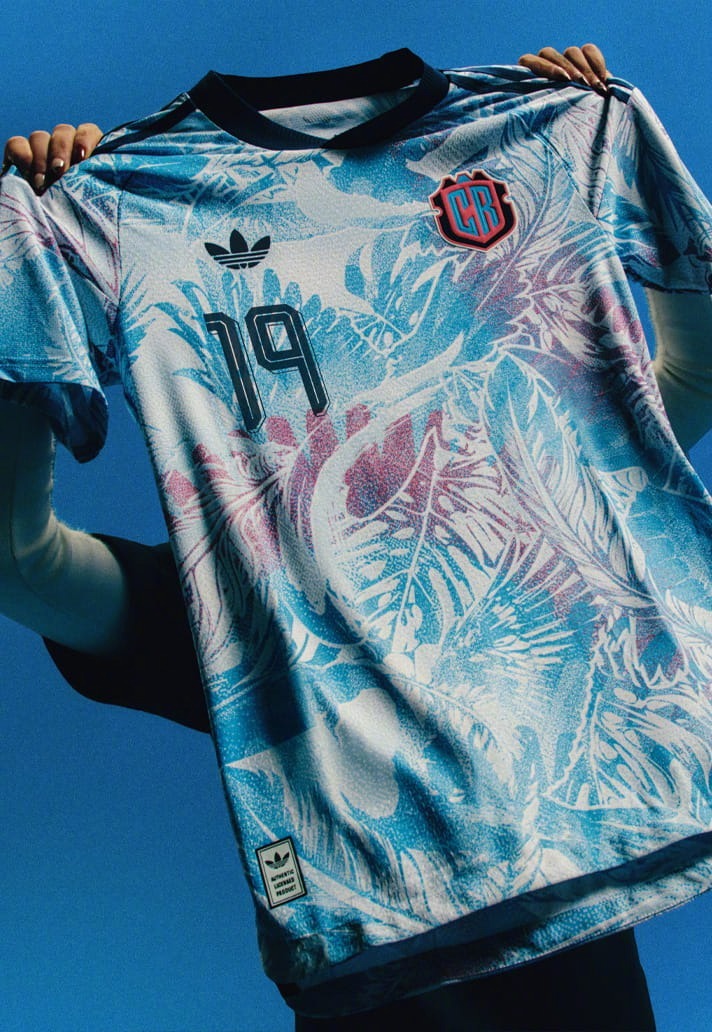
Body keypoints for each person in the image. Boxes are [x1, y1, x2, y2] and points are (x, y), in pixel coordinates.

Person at [2, 42, 711, 1030]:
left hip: (574, 905)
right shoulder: (245, 617)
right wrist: (24, 261)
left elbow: (640, 423)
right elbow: (21, 562)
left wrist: (571, 123)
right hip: (396, 943)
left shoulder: (542, 541)